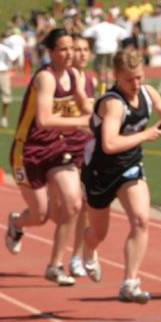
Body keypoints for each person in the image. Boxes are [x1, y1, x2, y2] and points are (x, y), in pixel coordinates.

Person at [80, 47, 161, 302]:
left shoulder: (148, 93)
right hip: (100, 171)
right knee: (98, 233)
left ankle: (130, 283)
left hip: (130, 166)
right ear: (116, 76)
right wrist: (145, 135)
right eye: (129, 79)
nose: (136, 84)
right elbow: (110, 144)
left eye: (139, 77)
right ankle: (88, 247)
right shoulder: (113, 103)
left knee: (141, 220)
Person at [5, 28, 91, 286]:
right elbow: (43, 120)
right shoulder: (46, 78)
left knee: (74, 204)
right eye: (63, 49)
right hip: (29, 150)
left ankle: (55, 265)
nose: (69, 54)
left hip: (57, 148)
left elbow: (87, 106)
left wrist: (107, 115)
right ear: (51, 52)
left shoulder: (74, 75)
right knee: (40, 215)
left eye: (72, 49)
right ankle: (17, 223)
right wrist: (79, 122)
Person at [65, 34, 97, 278]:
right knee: (64, 208)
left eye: (86, 49)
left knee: (83, 206)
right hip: (62, 149)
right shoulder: (63, 80)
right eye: (77, 49)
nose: (82, 54)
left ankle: (77, 255)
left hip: (85, 149)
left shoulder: (89, 78)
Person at [82, 11, 129, 93]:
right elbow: (125, 34)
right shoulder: (113, 27)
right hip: (112, 49)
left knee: (100, 71)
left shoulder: (96, 27)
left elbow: (85, 33)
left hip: (100, 50)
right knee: (110, 70)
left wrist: (93, 38)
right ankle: (109, 87)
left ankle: (102, 88)